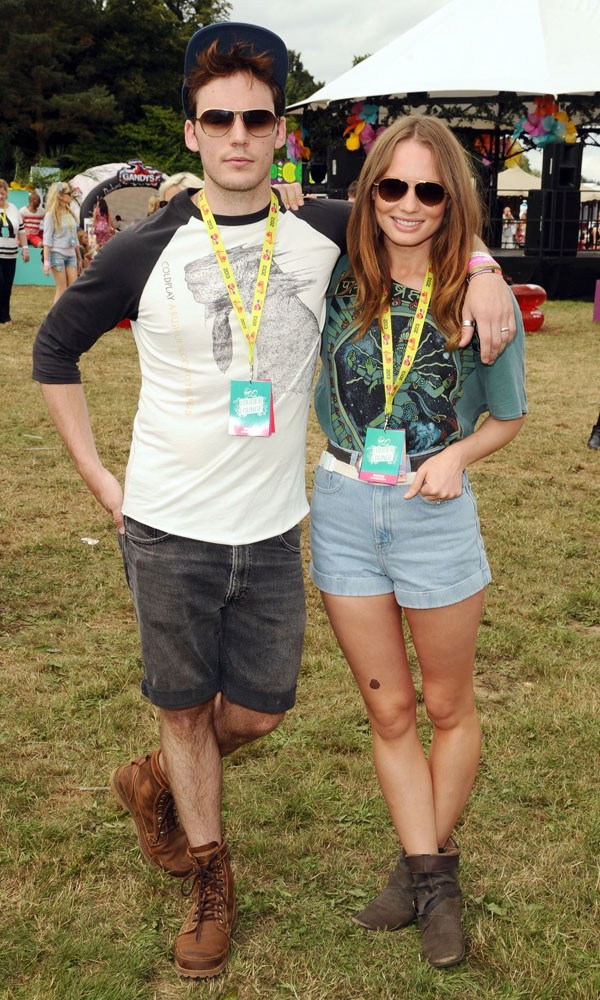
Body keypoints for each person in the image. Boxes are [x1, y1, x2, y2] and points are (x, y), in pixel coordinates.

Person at [32, 22, 515, 981]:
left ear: (278, 133)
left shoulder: (325, 226)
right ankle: (211, 881)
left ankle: (157, 778)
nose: (240, 137)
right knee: (181, 710)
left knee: (257, 712)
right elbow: (54, 350)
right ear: (192, 131)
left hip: (276, 527)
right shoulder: (144, 247)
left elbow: (425, 217)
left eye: (258, 119)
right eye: (220, 120)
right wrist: (99, 477)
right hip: (168, 526)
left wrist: (493, 269)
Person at [309, 116, 526, 969]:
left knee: (445, 707)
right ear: (370, 192)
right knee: (389, 710)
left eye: (428, 190)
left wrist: (459, 457)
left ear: (452, 201)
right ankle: (433, 875)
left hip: (435, 514)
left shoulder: (478, 298)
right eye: (390, 186)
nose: (407, 205)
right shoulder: (335, 271)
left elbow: (508, 417)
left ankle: (424, 874)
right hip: (342, 506)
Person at [42, 181, 82, 302]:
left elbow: (74, 236)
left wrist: (79, 257)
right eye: (69, 193)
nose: (71, 196)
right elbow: (47, 240)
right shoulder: (51, 215)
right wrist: (46, 261)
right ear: (60, 195)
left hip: (71, 254)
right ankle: (55, 320)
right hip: (57, 253)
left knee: (72, 289)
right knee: (62, 288)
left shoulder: (70, 213)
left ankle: (66, 318)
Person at [0, 178, 29, 324]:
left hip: (11, 254)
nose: (0, 196)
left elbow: (22, 231)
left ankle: (5, 316)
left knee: (7, 286)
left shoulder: (14, 209)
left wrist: (25, 249)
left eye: (3, 192)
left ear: (6, 193)